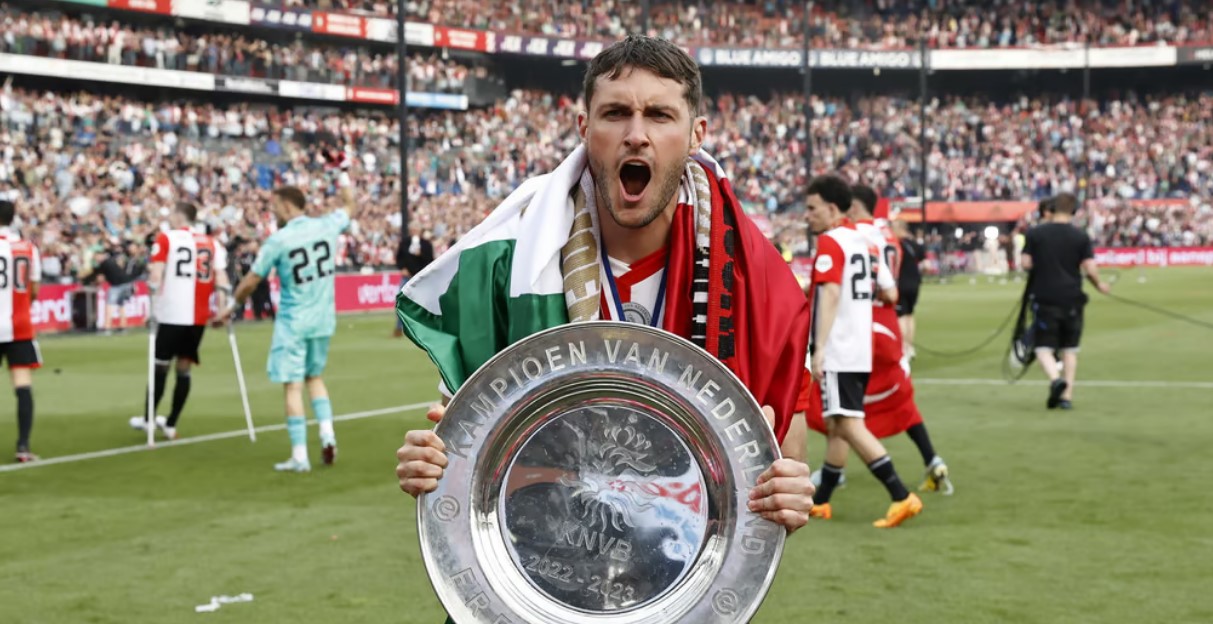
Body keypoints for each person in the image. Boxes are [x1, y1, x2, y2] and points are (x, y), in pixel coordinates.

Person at [395, 37, 816, 621]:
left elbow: (776, 476)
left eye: (660, 114)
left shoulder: (759, 283)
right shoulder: (507, 264)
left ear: (696, 135)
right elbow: (467, 446)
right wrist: (433, 466)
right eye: (616, 112)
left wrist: (789, 499)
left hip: (677, 596)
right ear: (583, 126)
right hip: (526, 591)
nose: (636, 134)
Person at [796, 175, 923, 528]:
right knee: (838, 423)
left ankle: (901, 495)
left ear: (832, 208)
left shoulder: (832, 242)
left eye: (812, 208)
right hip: (861, 345)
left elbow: (832, 293)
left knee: (849, 424)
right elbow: (891, 294)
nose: (808, 216)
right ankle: (821, 502)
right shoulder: (865, 242)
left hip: (839, 347)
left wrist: (818, 348)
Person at [224, 181, 353, 472]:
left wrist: (232, 306)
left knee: (293, 386)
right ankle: (327, 434)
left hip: (294, 321)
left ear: (285, 205)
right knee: (315, 377)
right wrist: (342, 177)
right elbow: (350, 206)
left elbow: (252, 280)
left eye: (274, 206)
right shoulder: (327, 225)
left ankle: (299, 455)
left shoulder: (279, 240)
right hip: (323, 318)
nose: (273, 212)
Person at [841, 185, 951, 494]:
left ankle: (835, 473)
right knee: (901, 401)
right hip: (889, 325)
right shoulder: (889, 236)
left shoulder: (851, 236)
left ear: (851, 206)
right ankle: (933, 460)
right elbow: (892, 288)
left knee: (838, 405)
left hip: (861, 324)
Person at [130, 202, 228, 440]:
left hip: (172, 313)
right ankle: (171, 423)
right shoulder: (212, 243)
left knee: (161, 366)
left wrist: (152, 309)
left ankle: (149, 419)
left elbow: (156, 275)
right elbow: (222, 280)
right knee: (184, 369)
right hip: (198, 317)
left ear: (178, 216)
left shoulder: (166, 238)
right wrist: (222, 311)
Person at [1021, 192, 1110, 409]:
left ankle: (1055, 379)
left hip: (1045, 295)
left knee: (1043, 347)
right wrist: (1099, 285)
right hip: (1072, 297)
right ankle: (1067, 396)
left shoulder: (1036, 233)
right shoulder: (1080, 236)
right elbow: (1089, 267)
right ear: (1074, 211)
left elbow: (1025, 263)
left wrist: (1043, 264)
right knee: (1069, 349)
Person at [0, 199, 42, 462]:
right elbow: (34, 289)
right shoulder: (27, 248)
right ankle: (23, 446)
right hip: (18, 325)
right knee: (22, 385)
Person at [392, 224, 433, 337]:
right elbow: (399, 258)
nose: (414, 231)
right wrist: (402, 268)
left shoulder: (426, 244)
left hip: (421, 279)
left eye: (416, 229)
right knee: (401, 303)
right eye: (412, 229)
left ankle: (422, 329)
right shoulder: (404, 243)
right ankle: (399, 328)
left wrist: (421, 254)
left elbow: (430, 260)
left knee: (423, 304)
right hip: (407, 277)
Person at [891, 218, 924, 358]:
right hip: (915, 283)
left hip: (901, 283)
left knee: (901, 316)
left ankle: (903, 348)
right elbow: (923, 260)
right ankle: (910, 347)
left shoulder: (895, 244)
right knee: (910, 315)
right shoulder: (915, 244)